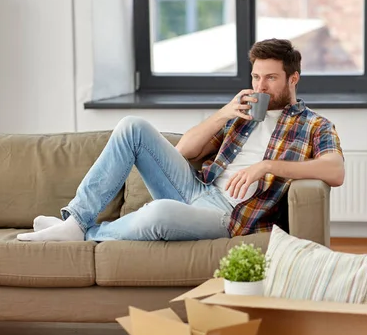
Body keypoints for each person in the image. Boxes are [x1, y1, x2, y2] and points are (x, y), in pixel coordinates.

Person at [17, 38, 344, 242]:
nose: (260, 87)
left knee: (158, 214)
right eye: (256, 76)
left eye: (271, 78)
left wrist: (267, 166)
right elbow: (184, 151)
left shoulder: (314, 125)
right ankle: (77, 219)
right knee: (133, 125)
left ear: (293, 78)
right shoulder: (242, 113)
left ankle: (84, 234)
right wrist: (225, 113)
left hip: (227, 214)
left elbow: (335, 170)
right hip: (197, 190)